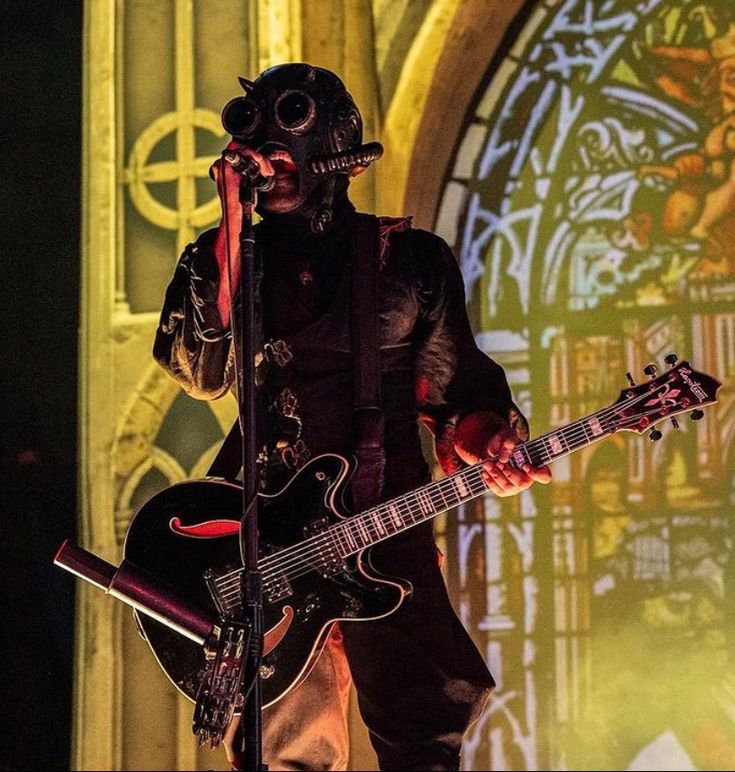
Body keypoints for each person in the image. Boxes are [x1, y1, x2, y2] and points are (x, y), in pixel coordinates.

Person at [153, 62, 550, 772]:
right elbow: (200, 373)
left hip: (384, 529)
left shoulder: (408, 262)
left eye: (285, 139)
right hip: (269, 544)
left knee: (421, 738)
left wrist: (493, 445)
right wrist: (227, 226)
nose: (267, 161)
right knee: (286, 750)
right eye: (254, 143)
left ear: (333, 146)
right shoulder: (227, 260)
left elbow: (461, 398)